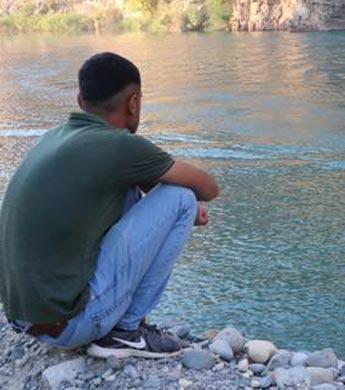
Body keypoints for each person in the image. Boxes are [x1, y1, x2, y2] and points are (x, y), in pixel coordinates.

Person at [0, 52, 219, 359]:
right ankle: (126, 332)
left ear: (80, 100)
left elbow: (132, 183)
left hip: (26, 319)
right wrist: (182, 210)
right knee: (181, 198)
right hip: (69, 326)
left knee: (139, 187)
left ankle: (113, 324)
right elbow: (208, 188)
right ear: (133, 102)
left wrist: (161, 208)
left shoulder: (54, 137)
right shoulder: (119, 145)